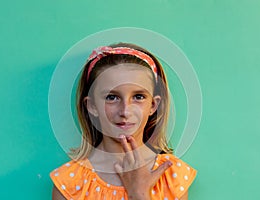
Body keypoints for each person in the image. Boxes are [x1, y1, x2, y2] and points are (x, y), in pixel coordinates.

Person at [50, 43, 197, 200]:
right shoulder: (69, 183)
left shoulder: (171, 176)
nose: (125, 111)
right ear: (92, 106)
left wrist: (139, 194)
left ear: (153, 105)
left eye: (138, 97)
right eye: (112, 97)